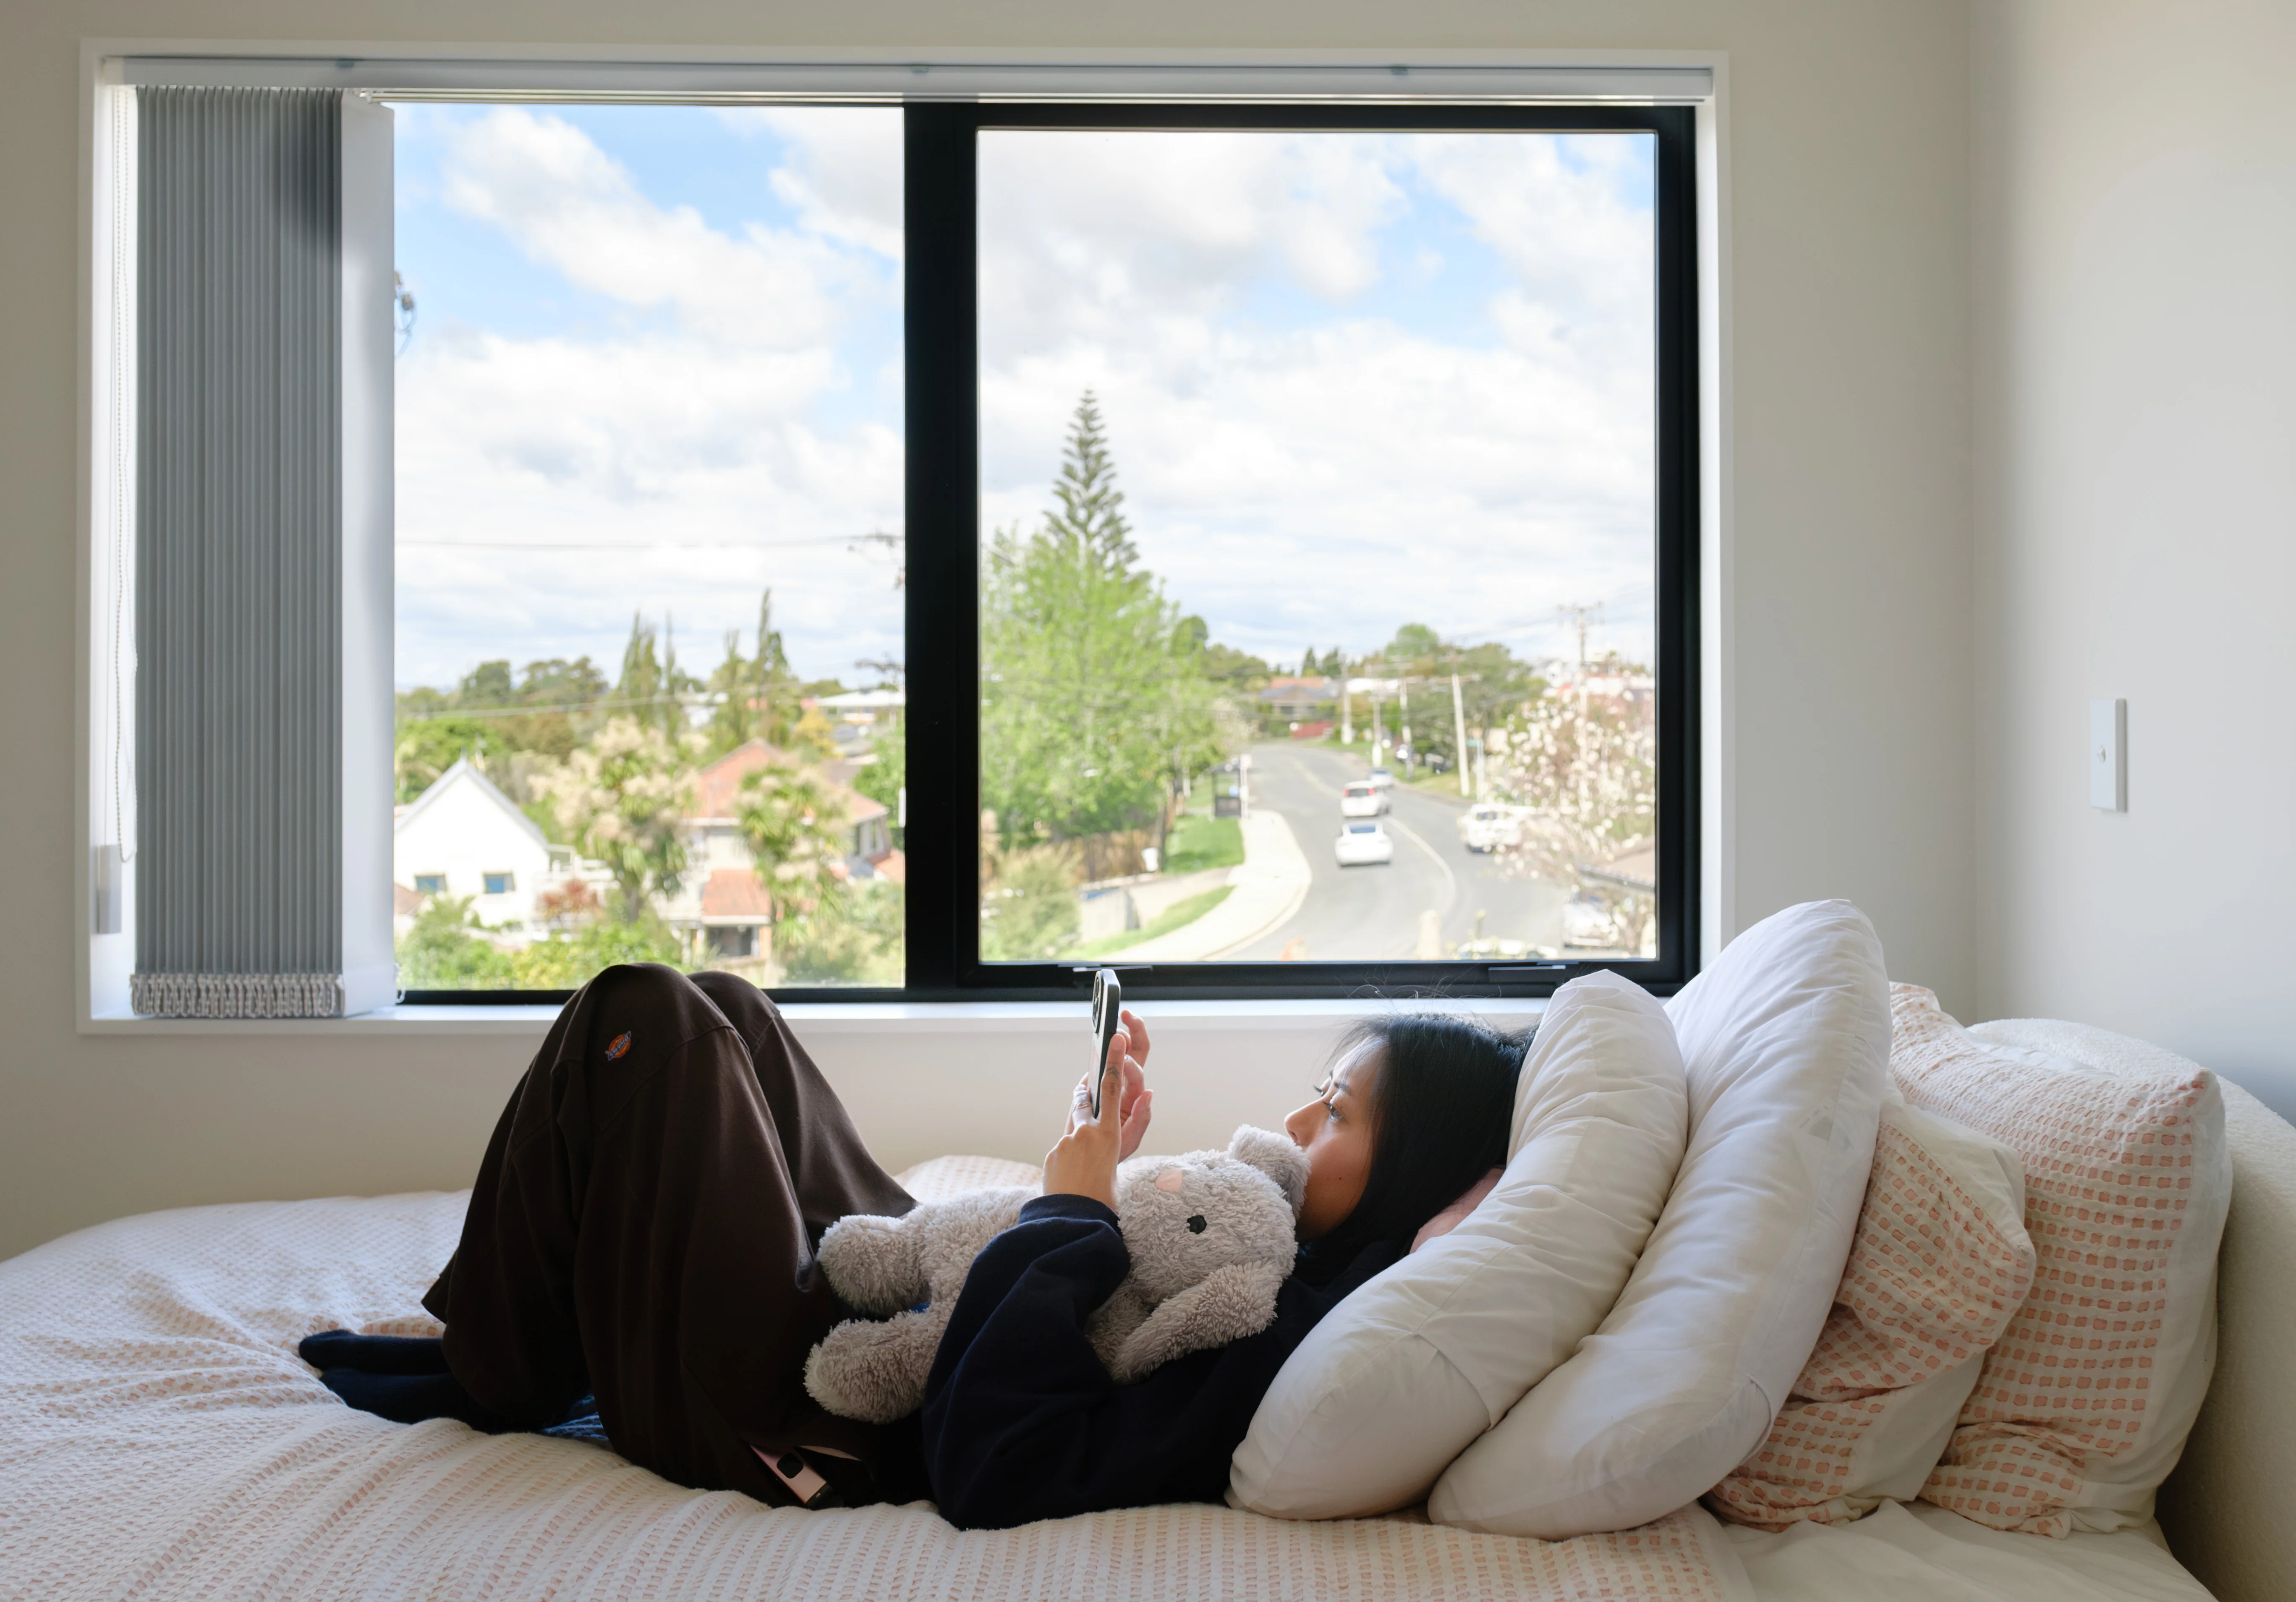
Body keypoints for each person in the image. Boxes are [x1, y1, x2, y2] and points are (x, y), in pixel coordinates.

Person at [303, 963, 1525, 1529]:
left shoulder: (1283, 1337)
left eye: (1339, 1113)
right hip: (904, 1328)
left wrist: (1073, 1218)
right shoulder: (1284, 1265)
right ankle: (530, 1346)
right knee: (733, 1009)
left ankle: (501, 1370)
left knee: (649, 1018)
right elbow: (1093, 1306)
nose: (1298, 1125)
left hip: (828, 1425)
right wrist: (1092, 1170)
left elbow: (1001, 1464)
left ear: (1415, 1173)